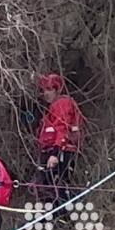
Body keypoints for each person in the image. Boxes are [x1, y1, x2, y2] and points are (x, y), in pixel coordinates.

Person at [34, 73, 85, 210]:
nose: (46, 93)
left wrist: (55, 154)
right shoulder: (55, 106)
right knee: (50, 187)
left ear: (57, 90)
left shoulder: (62, 104)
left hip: (61, 152)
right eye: (44, 90)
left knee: (57, 187)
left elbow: (62, 128)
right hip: (54, 151)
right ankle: (57, 217)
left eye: (50, 89)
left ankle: (62, 217)